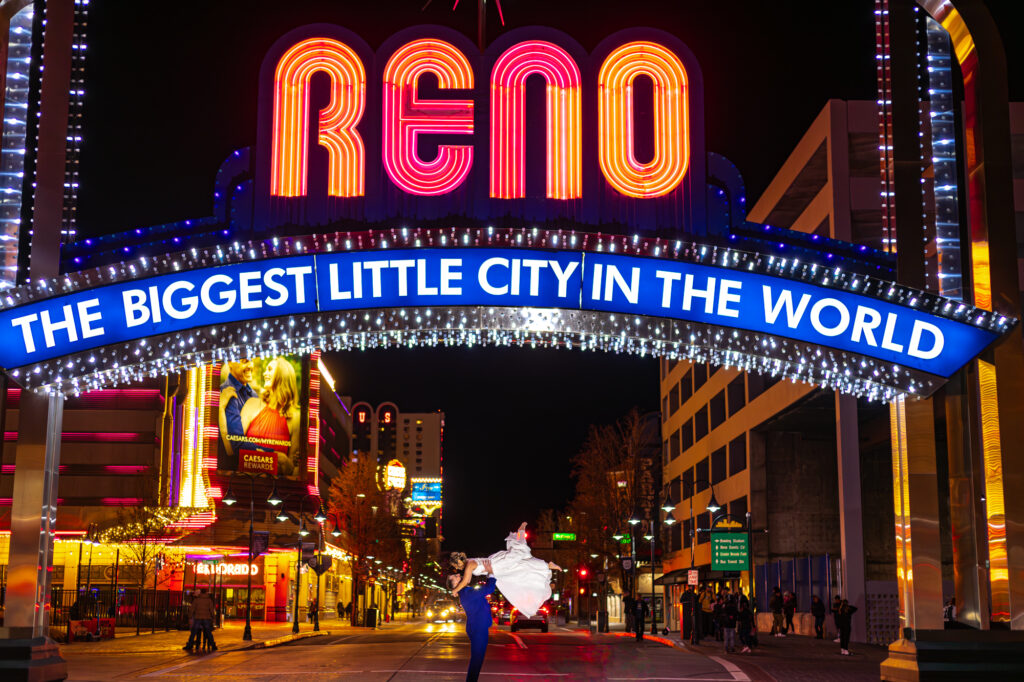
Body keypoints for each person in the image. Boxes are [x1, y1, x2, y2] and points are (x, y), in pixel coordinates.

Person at [449, 523, 562, 618]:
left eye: (457, 566)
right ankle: (546, 565)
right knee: (521, 567)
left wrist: (455, 590)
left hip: (497, 566)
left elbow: (466, 581)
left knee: (519, 562)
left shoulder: (469, 564)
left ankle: (546, 564)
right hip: (495, 566)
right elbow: (466, 580)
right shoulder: (469, 562)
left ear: (458, 562)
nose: (458, 568)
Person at [453, 574, 496, 682]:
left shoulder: (466, 591)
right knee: (477, 660)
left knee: (477, 660)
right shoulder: (466, 592)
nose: (458, 575)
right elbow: (489, 588)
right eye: (455, 577)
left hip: (477, 627)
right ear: (454, 584)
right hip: (478, 628)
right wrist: (491, 574)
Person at [218, 359, 256, 467]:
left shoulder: (254, 394)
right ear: (230, 362)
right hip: (230, 469)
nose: (250, 365)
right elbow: (235, 445)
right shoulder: (226, 392)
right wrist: (272, 453)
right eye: (245, 361)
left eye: (251, 361)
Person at [184, 588, 216, 652]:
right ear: (206, 592)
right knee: (208, 632)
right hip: (206, 617)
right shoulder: (209, 600)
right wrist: (213, 617)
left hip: (198, 617)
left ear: (201, 592)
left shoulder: (196, 600)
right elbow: (212, 610)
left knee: (193, 632)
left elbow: (192, 609)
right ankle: (213, 645)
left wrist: (190, 616)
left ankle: (189, 645)